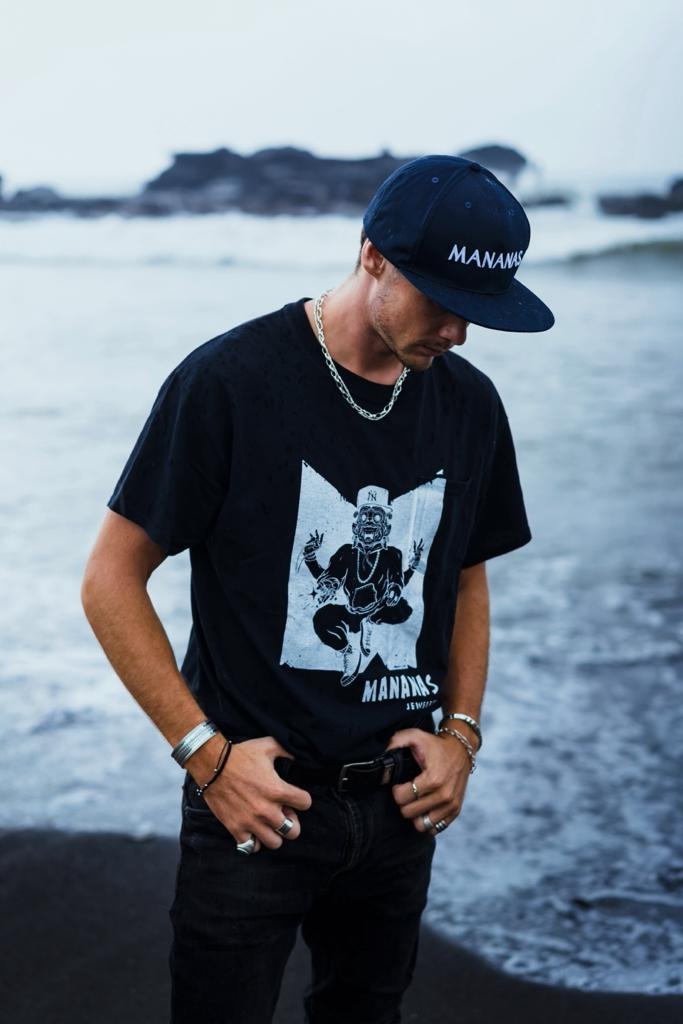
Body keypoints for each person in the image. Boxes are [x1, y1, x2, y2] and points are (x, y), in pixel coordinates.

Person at [81, 154, 554, 1024]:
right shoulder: (230, 382)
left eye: (478, 310)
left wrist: (460, 736)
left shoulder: (469, 406)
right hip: (256, 803)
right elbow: (110, 578)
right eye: (442, 301)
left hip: (400, 804)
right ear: (372, 254)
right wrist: (206, 755)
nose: (458, 331)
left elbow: (463, 577)